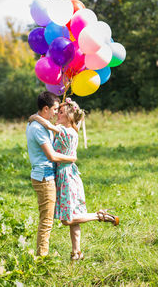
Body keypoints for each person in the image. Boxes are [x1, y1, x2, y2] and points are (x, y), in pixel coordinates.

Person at [29, 97, 119, 260]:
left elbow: (48, 125)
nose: (57, 114)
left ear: (69, 117)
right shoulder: (69, 129)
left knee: (67, 219)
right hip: (67, 174)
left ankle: (100, 216)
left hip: (66, 177)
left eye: (61, 112)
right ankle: (76, 253)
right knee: (74, 216)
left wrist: (35, 117)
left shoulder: (66, 132)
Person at [26, 91, 76, 257]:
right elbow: (52, 156)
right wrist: (71, 158)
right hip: (44, 177)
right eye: (55, 109)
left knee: (47, 220)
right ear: (46, 108)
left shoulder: (41, 122)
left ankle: (42, 255)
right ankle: (42, 258)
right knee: (46, 221)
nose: (57, 112)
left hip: (45, 175)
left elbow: (38, 119)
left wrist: (34, 117)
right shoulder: (38, 128)